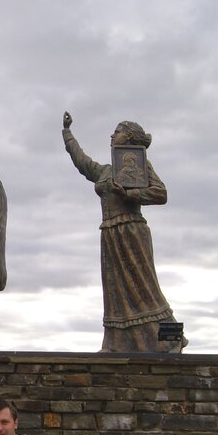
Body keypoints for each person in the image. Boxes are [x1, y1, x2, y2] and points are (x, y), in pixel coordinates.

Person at [62, 111, 188, 352]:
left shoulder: (139, 165)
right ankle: (115, 343)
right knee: (115, 290)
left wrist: (130, 194)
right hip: (110, 233)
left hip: (132, 231)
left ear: (129, 137)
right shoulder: (107, 171)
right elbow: (83, 162)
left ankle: (172, 338)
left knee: (143, 286)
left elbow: (161, 194)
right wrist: (68, 133)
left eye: (117, 131)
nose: (112, 135)